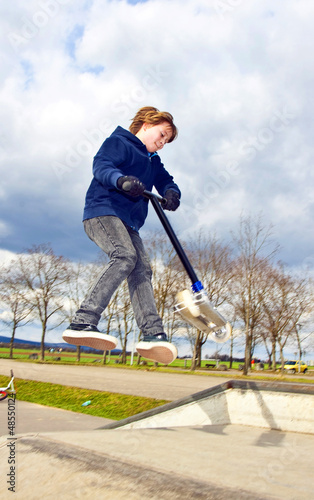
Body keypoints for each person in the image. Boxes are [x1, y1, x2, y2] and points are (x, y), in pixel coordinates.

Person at [62, 106, 181, 364]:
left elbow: (166, 180)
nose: (161, 144)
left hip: (128, 223)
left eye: (166, 142)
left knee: (142, 270)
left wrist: (172, 193)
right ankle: (83, 321)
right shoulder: (119, 142)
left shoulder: (153, 161)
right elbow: (101, 166)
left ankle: (152, 334)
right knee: (125, 256)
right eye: (161, 135)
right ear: (146, 125)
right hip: (102, 212)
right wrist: (120, 180)